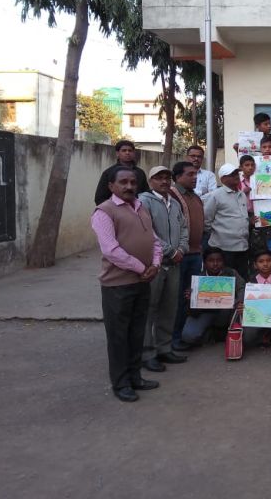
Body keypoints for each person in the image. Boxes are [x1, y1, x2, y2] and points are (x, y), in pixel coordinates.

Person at [91, 167, 162, 402]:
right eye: (123, 182)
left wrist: (155, 264)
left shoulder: (140, 207)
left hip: (143, 282)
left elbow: (155, 240)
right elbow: (110, 250)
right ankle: (121, 383)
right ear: (111, 186)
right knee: (118, 336)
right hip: (118, 285)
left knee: (136, 332)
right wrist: (142, 268)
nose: (129, 186)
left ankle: (135, 377)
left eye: (132, 182)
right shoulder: (104, 212)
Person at [138, 166, 190, 372]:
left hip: (175, 263)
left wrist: (182, 249)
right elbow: (147, 233)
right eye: (159, 178)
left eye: (167, 178)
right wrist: (170, 251)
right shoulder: (143, 202)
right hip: (155, 264)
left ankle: (164, 348)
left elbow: (184, 228)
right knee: (150, 309)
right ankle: (147, 353)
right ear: (150, 181)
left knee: (169, 307)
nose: (164, 182)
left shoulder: (174, 203)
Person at [169, 161, 204, 351]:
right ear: (177, 177)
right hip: (180, 255)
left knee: (189, 297)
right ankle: (171, 339)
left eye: (196, 174)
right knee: (175, 298)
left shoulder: (195, 197)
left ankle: (181, 335)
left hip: (195, 254)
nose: (194, 178)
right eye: (190, 174)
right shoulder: (172, 196)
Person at [181, 247, 246, 347]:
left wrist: (238, 302)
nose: (215, 264)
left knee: (243, 324)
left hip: (226, 312)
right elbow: (191, 311)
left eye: (219, 260)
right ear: (204, 262)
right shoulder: (198, 279)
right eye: (211, 261)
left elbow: (242, 288)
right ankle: (211, 335)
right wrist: (191, 299)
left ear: (223, 262)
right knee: (188, 336)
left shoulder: (231, 273)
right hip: (204, 313)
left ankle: (224, 334)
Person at [204, 163, 250, 277]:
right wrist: (219, 234)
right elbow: (206, 220)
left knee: (241, 279)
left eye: (236, 173)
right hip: (223, 249)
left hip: (242, 247)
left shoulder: (242, 194)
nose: (236, 176)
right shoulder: (216, 195)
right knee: (224, 281)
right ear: (223, 179)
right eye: (232, 174)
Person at [94, 140, 150, 205]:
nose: (127, 153)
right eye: (124, 150)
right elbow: (100, 198)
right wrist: (116, 209)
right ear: (117, 153)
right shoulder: (109, 173)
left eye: (130, 150)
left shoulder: (140, 173)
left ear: (134, 153)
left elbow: (146, 194)